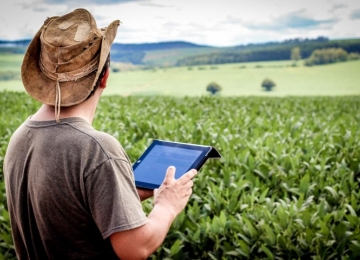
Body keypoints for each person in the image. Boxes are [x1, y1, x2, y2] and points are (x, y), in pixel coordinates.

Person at [3, 8, 197, 260]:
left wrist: (128, 195)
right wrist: (167, 205)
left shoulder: (20, 136)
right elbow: (134, 249)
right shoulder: (96, 148)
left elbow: (68, 212)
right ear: (104, 76)